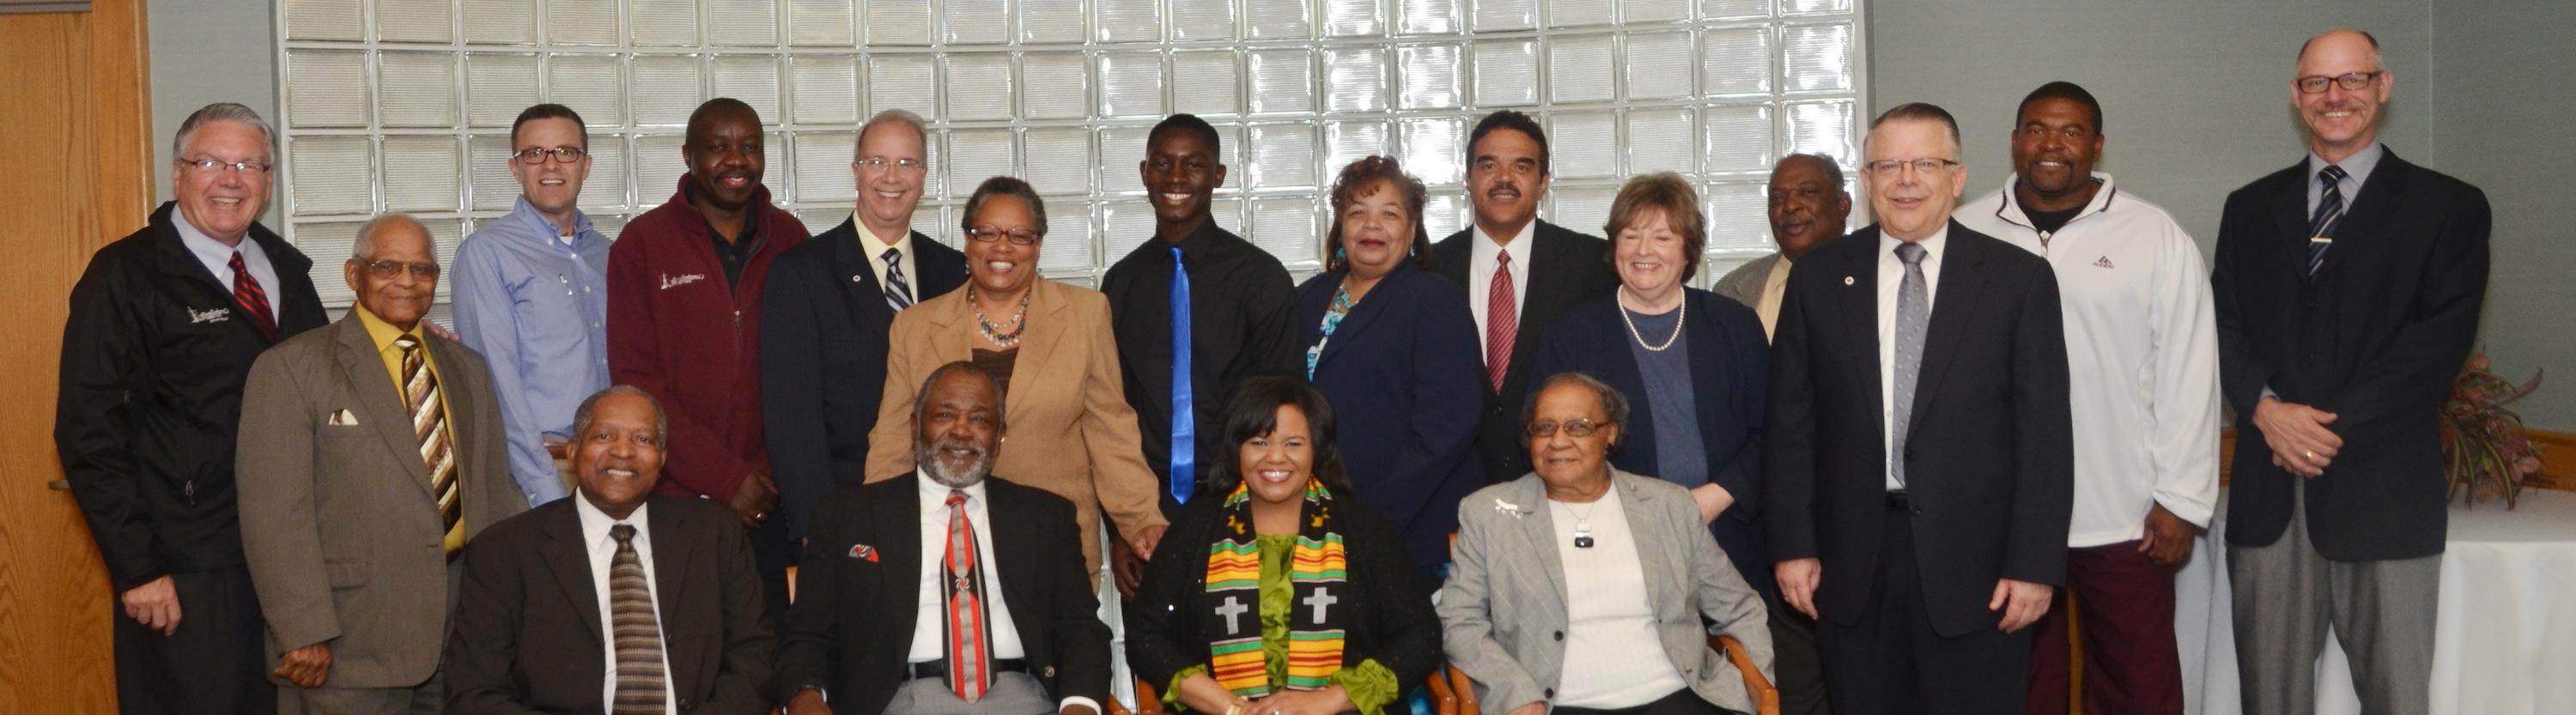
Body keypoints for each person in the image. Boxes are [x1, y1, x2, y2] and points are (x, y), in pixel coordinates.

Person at [2213, 29, 2490, 715]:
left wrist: (2325, 430)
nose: (2335, 97)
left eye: (2352, 80)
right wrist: (2269, 412)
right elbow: (2223, 326)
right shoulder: (2248, 207)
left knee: (2398, 696)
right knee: (2268, 700)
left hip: (2385, 492)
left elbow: (2437, 344)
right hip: (2269, 492)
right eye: (2317, 83)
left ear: (2383, 86)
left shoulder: (2449, 206)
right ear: (2296, 95)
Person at [1763, 102, 2073, 715]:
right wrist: (1793, 544)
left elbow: (2045, 435)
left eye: (1924, 163)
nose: (1906, 179)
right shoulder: (1820, 278)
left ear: (1957, 177)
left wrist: (2035, 564)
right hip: (1851, 566)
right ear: (1868, 179)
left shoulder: (2019, 280)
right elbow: (1791, 426)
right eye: (1888, 164)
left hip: (1980, 571)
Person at [1953, 81, 2221, 715]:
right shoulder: (1965, 232)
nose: (2052, 144)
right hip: (2003, 516)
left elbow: (2190, 369)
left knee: (2137, 681)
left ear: (2097, 145)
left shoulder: (2154, 235)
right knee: (2018, 684)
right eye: (2037, 128)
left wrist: (2180, 498)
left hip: (2125, 514)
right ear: (2015, 141)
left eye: (2071, 131)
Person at [58, 101, 329, 715]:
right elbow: (88, 435)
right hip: (184, 568)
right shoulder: (125, 276)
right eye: (209, 161)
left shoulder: (285, 269)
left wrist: (404, 343)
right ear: (177, 174)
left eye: (248, 164)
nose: (230, 179)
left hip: (285, 561)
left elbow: (325, 382)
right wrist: (138, 567)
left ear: (268, 180)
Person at [1532, 173, 1821, 715]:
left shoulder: (1733, 324)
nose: (1645, 251)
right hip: (1613, 551)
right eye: (1631, 236)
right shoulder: (1572, 333)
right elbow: (1553, 448)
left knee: (1739, 688)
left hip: (1731, 539)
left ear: (1688, 249)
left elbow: (1777, 434)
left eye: (1663, 237)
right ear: (1613, 245)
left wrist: (1715, 495)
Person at [236, 214, 531, 712]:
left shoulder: (467, 367)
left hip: (460, 630)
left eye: (422, 270)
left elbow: (493, 491)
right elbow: (274, 516)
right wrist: (302, 629)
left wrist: (509, 611)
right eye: (388, 266)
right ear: (354, 275)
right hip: (348, 639)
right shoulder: (292, 368)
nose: (407, 282)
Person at [866, 176, 1168, 582]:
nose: (1002, 247)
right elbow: (892, 439)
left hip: (1054, 546)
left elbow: (1110, 431)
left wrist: (1141, 519)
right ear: (967, 242)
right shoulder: (914, 327)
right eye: (986, 233)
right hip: (942, 544)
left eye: (1020, 235)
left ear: (1038, 244)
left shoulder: (1086, 314)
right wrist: (871, 527)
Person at [779, 362, 1111, 715]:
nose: (962, 431)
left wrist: (1080, 705)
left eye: (980, 420)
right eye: (944, 415)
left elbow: (1082, 629)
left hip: (1024, 697)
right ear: (915, 426)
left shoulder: (1044, 517)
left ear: (1000, 437)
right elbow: (807, 636)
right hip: (902, 699)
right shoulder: (848, 517)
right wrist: (806, 699)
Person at [1439, 373, 1773, 715]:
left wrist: (1753, 686)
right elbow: (1459, 622)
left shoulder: (1667, 506)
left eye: (1578, 427)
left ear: (1610, 434)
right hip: (1557, 704)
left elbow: (1739, 607)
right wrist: (1514, 691)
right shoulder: (1489, 514)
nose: (1558, 441)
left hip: (1680, 696)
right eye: (1544, 428)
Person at [444, 386, 775, 715]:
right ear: (572, 452)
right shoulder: (503, 551)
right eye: (604, 436)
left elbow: (754, 656)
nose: (624, 451)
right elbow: (475, 693)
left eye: (643, 439)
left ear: (662, 459)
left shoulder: (714, 533)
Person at [1124, 376, 1444, 714]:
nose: (1275, 459)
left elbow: (1421, 636)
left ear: (1317, 449)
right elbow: (1146, 635)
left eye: (1293, 444)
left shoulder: (1364, 529)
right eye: (1259, 443)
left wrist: (1329, 700)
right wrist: (1231, 706)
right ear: (1237, 449)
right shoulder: (1196, 527)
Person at [607, 97, 811, 621]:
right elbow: (637, 382)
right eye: (717, 148)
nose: (736, 160)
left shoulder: (792, 241)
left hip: (770, 500)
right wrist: (723, 478)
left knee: (764, 651)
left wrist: (760, 479)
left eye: (749, 147)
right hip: (674, 495)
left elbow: (807, 375)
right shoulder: (643, 244)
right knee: (684, 656)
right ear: (688, 157)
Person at [1101, 113, 1305, 593]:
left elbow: (1287, 409)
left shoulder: (1261, 278)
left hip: (1242, 505)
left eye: (1193, 165)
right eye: (1162, 164)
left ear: (1218, 176)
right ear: (1144, 172)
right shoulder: (1121, 284)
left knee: (1247, 661)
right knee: (1158, 661)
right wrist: (1121, 528)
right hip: (1147, 514)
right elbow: (1109, 413)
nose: (1175, 178)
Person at [763, 108, 969, 544]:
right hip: (847, 510)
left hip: (949, 508)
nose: (890, 177)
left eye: (906, 163)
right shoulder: (802, 273)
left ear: (925, 175)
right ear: (855, 172)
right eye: (876, 162)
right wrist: (818, 530)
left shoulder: (954, 271)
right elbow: (792, 418)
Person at [1292, 156, 1485, 574]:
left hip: (1412, 527)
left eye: (1390, 214)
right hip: (1317, 524)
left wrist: (1370, 515)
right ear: (1340, 227)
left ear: (1412, 230)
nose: (1372, 225)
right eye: (1357, 212)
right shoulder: (1306, 299)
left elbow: (1450, 423)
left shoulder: (1435, 300)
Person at [1427, 110, 1620, 485]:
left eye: (1521, 167)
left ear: (1544, 181)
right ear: (1467, 178)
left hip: (1565, 487)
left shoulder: (1597, 268)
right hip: (1449, 492)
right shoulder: (1427, 270)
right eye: (1488, 166)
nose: (1503, 179)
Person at [451, 102, 612, 505]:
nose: (551, 165)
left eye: (566, 152)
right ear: (515, 168)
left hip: (613, 463)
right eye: (535, 154)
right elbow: (497, 385)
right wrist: (545, 489)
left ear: (586, 165)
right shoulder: (488, 253)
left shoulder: (608, 254)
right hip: (536, 471)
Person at [1712, 155, 1852, 340]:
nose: (1790, 206)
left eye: (1807, 192)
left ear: (1843, 205)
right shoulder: (1731, 290)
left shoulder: (1874, 277)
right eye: (1777, 197)